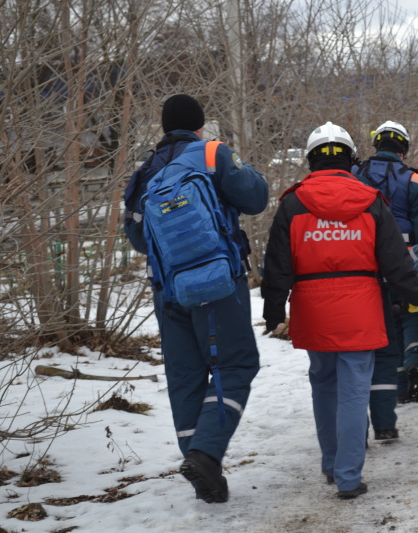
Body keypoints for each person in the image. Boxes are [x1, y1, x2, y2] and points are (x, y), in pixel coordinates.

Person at [262, 121, 418, 499]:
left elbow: (276, 266)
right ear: (349, 157)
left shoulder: (292, 203)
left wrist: (274, 312)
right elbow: (395, 264)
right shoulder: (370, 200)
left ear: (310, 159)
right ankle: (348, 477)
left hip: (312, 309)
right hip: (361, 309)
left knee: (323, 385)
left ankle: (330, 464)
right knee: (355, 390)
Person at [122, 94, 269, 503]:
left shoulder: (144, 171)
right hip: (220, 285)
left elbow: (136, 237)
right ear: (200, 126)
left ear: (164, 128)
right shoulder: (212, 153)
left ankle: (201, 469)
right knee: (236, 365)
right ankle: (205, 456)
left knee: (186, 379)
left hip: (168, 292)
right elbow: (256, 199)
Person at [352, 121, 418, 418]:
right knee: (416, 313)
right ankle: (416, 362)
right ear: (404, 149)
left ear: (376, 144)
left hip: (365, 261)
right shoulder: (414, 181)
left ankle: (396, 386)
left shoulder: (354, 175)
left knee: (384, 321)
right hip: (406, 259)